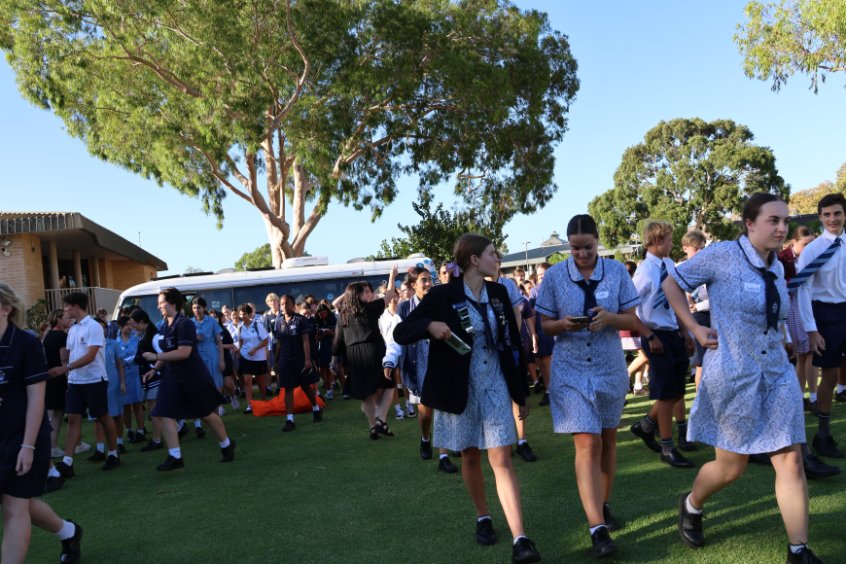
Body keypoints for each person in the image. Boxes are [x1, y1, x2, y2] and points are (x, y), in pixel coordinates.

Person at [665, 193, 824, 564]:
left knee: (790, 460)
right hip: (733, 375)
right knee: (731, 466)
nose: (782, 227)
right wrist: (693, 329)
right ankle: (691, 503)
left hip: (777, 375)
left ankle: (798, 550)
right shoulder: (721, 254)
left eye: (785, 221)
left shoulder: (777, 267)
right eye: (773, 220)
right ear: (749, 223)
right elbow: (672, 284)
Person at [394, 234, 540, 564]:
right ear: (473, 259)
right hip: (459, 387)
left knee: (501, 457)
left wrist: (520, 390)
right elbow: (401, 332)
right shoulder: (443, 295)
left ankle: (521, 538)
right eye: (492, 254)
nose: (497, 258)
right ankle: (483, 516)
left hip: (495, 383)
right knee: (471, 456)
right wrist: (430, 324)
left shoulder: (500, 293)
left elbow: (512, 344)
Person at [536, 215, 643, 557]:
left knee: (609, 439)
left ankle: (603, 502)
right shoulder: (554, 276)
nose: (581, 254)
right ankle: (597, 528)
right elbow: (546, 325)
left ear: (598, 242)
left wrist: (610, 319)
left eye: (588, 247)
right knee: (587, 443)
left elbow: (633, 320)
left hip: (609, 366)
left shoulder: (616, 272)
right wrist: (564, 324)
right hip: (570, 370)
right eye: (575, 248)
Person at [0, 284, 84, 564]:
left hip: (25, 435)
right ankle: (69, 532)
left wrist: (27, 446)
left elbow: (37, 399)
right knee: (19, 502)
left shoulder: (26, 343)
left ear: (6, 308)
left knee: (14, 507)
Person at [140, 288, 235, 470]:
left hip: (193, 376)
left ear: (173, 303)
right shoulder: (165, 325)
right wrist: (155, 369)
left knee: (207, 414)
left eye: (162, 302)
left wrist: (156, 358)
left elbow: (184, 353)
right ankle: (175, 456)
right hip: (173, 376)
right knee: (163, 411)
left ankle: (227, 445)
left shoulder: (185, 324)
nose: (159, 306)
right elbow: (167, 352)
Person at [629, 221, 695, 468]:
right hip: (654, 333)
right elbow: (628, 308)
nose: (672, 243)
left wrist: (685, 331)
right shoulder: (645, 271)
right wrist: (649, 335)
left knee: (677, 389)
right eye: (668, 239)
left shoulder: (669, 265)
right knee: (667, 393)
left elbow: (676, 301)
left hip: (671, 332)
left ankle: (646, 426)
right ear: (657, 241)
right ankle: (667, 447)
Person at [795, 193, 846, 462]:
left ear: (844, 214)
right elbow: (803, 290)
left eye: (836, 213)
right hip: (825, 314)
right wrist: (811, 329)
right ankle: (823, 436)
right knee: (830, 375)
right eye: (826, 215)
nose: (832, 219)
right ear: (820, 218)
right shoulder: (813, 250)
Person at [394, 267, 457, 473]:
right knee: (426, 413)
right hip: (417, 363)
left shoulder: (440, 301)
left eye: (430, 279)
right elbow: (397, 337)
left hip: (439, 359)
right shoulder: (404, 308)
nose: (429, 283)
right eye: (424, 280)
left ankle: (444, 454)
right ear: (413, 285)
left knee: (443, 409)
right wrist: (390, 361)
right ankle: (425, 437)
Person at [50, 292, 120, 477]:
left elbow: (90, 356)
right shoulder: (72, 329)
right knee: (73, 418)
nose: (65, 310)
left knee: (103, 417)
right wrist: (62, 364)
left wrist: (65, 368)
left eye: (66, 306)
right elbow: (69, 355)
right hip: (75, 382)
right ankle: (67, 462)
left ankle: (113, 453)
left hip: (95, 380)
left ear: (75, 306)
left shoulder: (94, 326)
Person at [333, 266, 398, 440]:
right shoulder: (369, 309)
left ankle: (373, 427)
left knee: (365, 394)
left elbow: (337, 342)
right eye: (365, 292)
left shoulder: (343, 316)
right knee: (390, 385)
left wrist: (336, 358)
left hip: (353, 356)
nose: (369, 295)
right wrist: (392, 276)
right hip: (373, 350)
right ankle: (381, 419)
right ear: (358, 295)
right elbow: (390, 295)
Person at [778, 227, 817, 411]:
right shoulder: (782, 258)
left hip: (810, 305)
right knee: (806, 353)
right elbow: (779, 285)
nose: (809, 247)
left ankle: (806, 397)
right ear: (794, 242)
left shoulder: (813, 256)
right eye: (805, 244)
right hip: (792, 306)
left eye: (811, 243)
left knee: (808, 353)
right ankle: (806, 397)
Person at [273, 294, 322, 432]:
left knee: (306, 385)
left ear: (293, 305)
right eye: (282, 304)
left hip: (300, 358)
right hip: (285, 359)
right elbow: (279, 342)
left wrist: (307, 359)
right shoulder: (278, 321)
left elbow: (305, 340)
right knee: (288, 388)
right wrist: (276, 360)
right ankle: (290, 420)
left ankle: (316, 408)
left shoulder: (301, 320)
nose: (283, 306)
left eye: (286, 303)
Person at [131, 309, 164, 451]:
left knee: (154, 410)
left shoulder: (154, 336)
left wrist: (155, 369)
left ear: (142, 322)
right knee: (155, 410)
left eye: (134, 324)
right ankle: (169, 433)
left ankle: (157, 440)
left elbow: (163, 355)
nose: (133, 326)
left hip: (155, 376)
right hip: (149, 376)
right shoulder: (144, 334)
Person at [191, 297, 225, 436]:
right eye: (194, 307)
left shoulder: (212, 321)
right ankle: (198, 423)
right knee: (197, 390)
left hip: (212, 358)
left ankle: (215, 418)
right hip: (197, 359)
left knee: (216, 389)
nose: (196, 310)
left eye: (199, 307)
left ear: (204, 308)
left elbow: (219, 341)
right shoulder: (189, 323)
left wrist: (222, 360)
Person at [42, 309, 70, 458]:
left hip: (49, 377)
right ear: (58, 319)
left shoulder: (47, 336)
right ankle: (53, 446)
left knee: (53, 414)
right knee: (58, 414)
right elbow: (64, 359)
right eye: (66, 318)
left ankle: (51, 446)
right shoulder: (61, 336)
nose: (69, 320)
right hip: (59, 377)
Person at [236, 303, 270, 414]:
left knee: (261, 381)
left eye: (244, 314)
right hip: (246, 358)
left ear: (250, 314)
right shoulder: (240, 327)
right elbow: (241, 340)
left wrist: (255, 349)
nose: (242, 316)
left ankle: (264, 401)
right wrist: (241, 352)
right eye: (240, 314)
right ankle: (250, 405)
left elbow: (265, 340)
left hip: (259, 358)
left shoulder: (257, 325)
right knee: (247, 380)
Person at [116, 316, 145, 445]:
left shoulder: (136, 339)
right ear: (121, 327)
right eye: (127, 325)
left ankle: (140, 430)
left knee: (138, 404)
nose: (130, 327)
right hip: (123, 377)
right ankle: (129, 430)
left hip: (135, 375)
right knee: (126, 407)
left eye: (130, 324)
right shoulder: (116, 342)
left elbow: (140, 354)